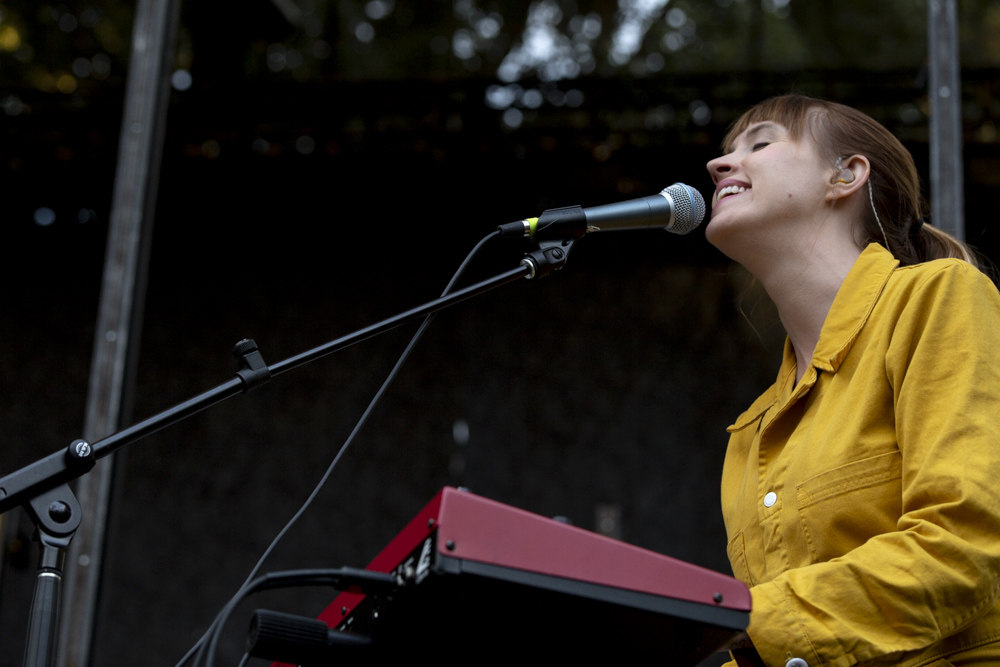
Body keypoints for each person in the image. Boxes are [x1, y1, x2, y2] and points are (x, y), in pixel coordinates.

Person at [705, 94, 1000, 667]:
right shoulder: (751, 430)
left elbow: (964, 544)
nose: (719, 165)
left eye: (759, 143)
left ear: (845, 175)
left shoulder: (939, 297)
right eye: (725, 152)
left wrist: (737, 624)